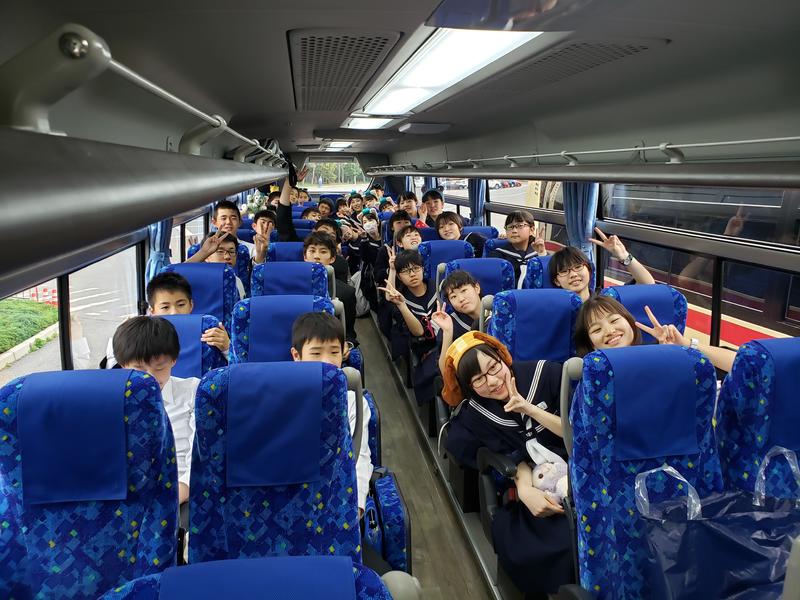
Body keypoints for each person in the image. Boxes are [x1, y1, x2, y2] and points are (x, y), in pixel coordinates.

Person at [441, 332, 573, 596]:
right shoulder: (475, 415)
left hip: (581, 472)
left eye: (493, 367)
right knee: (555, 543)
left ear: (503, 358)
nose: (492, 381)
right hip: (536, 487)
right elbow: (478, 451)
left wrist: (529, 409)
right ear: (469, 387)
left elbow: (583, 432)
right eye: (478, 379)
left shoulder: (548, 374)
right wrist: (523, 487)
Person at [289, 312, 372, 514]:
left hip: (337, 493)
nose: (327, 362)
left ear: (343, 353)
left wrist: (357, 506)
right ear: (296, 356)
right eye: (316, 354)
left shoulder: (352, 401)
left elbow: (359, 456)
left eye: (334, 352)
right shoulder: (282, 397)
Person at [113, 316, 197, 505]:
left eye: (159, 368)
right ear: (123, 366)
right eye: (139, 370)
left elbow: (200, 453)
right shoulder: (112, 401)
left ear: (174, 360)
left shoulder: (194, 392)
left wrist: (180, 492)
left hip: (183, 491)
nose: (150, 378)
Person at [573, 294, 736, 371]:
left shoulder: (661, 353)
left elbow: (742, 365)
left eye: (614, 320)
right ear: (591, 344)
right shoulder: (593, 378)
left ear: (630, 322)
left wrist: (684, 344)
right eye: (597, 329)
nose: (609, 331)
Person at [379, 250, 439, 403]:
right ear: (399, 277)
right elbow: (418, 331)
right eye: (406, 271)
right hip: (425, 347)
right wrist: (393, 270)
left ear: (423, 269)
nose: (412, 274)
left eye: (416, 268)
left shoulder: (437, 287)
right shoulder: (401, 297)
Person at [549, 227, 654, 302]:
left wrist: (624, 256)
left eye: (578, 267)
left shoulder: (606, 300)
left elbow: (647, 285)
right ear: (556, 281)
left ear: (589, 270)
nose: (573, 274)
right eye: (564, 271)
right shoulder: (553, 309)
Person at [303, 231, 359, 345]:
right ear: (305, 257)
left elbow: (348, 333)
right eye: (312, 251)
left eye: (323, 252)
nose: (317, 256)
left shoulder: (346, 293)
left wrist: (347, 345)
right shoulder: (292, 287)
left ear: (332, 258)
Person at [431, 270, 484, 374]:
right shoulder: (451, 324)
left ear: (477, 288)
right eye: (453, 297)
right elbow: (444, 371)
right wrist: (447, 332)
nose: (461, 299)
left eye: (464, 290)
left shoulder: (500, 311)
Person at [487, 210, 545, 283]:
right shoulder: (497, 256)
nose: (514, 230)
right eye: (510, 227)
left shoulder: (539, 253)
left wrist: (541, 253)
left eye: (520, 226)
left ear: (532, 229)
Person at [186, 231, 246, 299]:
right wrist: (203, 252)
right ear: (206, 257)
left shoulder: (236, 281)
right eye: (220, 251)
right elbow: (176, 275)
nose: (227, 257)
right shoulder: (195, 281)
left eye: (232, 252)